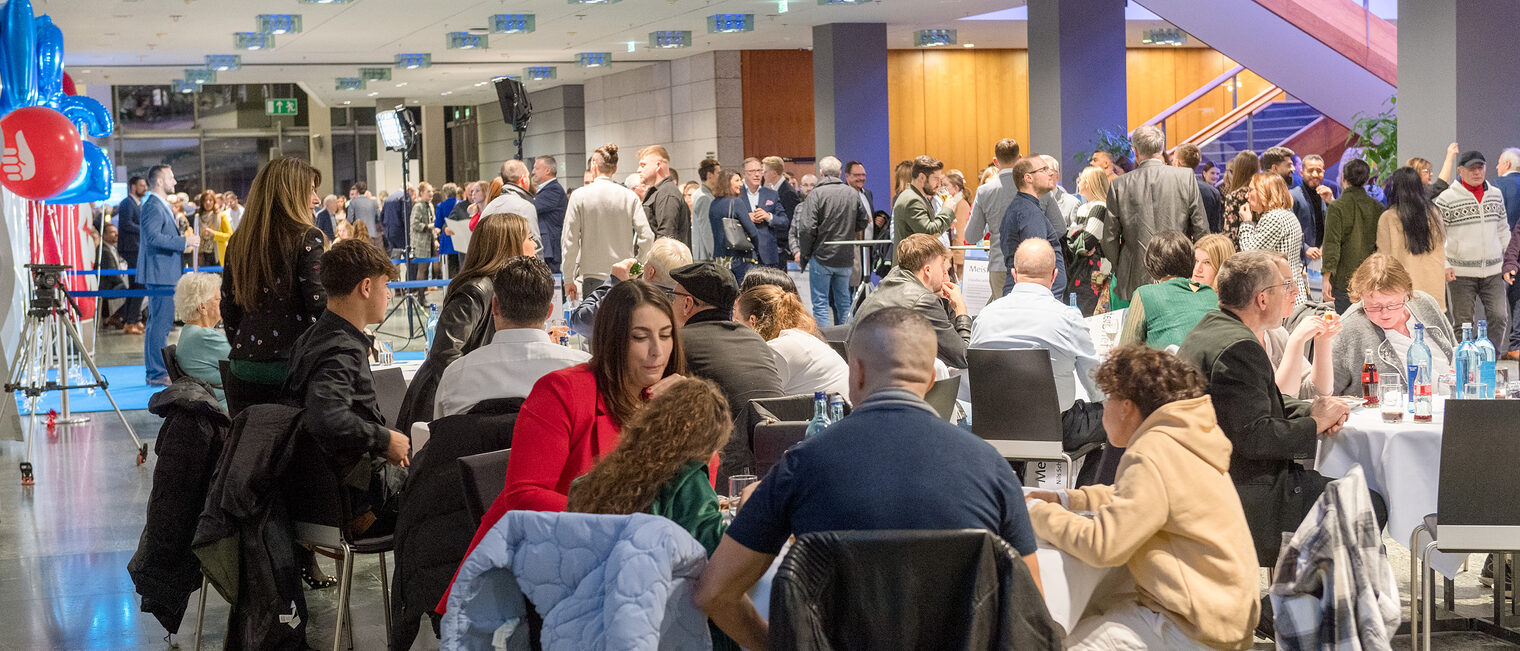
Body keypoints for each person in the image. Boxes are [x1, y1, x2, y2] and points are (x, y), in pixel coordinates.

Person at [694, 307, 1043, 650]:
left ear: (856, 373)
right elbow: (1031, 612)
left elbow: (715, 592)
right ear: (931, 379)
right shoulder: (991, 467)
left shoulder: (801, 466)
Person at [446, 280, 686, 606]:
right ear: (612, 340)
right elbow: (524, 496)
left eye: (666, 335)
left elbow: (695, 484)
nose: (657, 350)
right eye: (640, 337)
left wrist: (687, 418)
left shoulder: (662, 397)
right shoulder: (563, 392)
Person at [1026, 345, 1258, 651]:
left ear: (1127, 406)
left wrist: (1036, 513)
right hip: (1222, 612)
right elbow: (1137, 496)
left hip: (1193, 625)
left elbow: (1103, 545)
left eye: (1108, 398)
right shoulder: (1183, 437)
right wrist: (1070, 501)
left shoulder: (1152, 451)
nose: (1103, 408)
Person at [1177, 250, 1384, 566]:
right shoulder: (1240, 347)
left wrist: (1314, 409)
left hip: (1215, 479)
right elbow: (1257, 437)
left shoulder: (1212, 328)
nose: (1290, 294)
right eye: (1283, 288)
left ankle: (1308, 605)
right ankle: (1288, 609)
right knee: (1368, 503)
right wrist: (1314, 424)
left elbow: (1259, 401)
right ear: (1262, 300)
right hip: (1246, 494)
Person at [282, 239, 411, 538]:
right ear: (366, 287)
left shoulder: (312, 338)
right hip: (358, 507)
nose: (388, 295)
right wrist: (384, 439)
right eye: (385, 285)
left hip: (318, 498)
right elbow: (324, 416)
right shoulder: (342, 349)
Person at [395, 213, 536, 433]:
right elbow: (445, 353)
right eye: (529, 238)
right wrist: (474, 395)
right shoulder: (477, 290)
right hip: (440, 404)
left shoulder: (498, 286)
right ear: (509, 244)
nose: (534, 244)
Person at [973, 238, 1107, 463]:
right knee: (1117, 416)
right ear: (1054, 276)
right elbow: (1097, 387)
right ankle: (1085, 495)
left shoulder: (984, 317)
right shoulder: (1068, 318)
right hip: (1055, 431)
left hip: (993, 430)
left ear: (1014, 274)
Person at [567, 376, 730, 554]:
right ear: (710, 440)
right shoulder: (689, 480)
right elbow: (718, 549)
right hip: (655, 578)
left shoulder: (601, 477)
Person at [220, 158, 326, 412]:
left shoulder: (239, 241)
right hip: (292, 373)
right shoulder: (308, 237)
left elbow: (229, 308)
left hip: (242, 371)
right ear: (292, 194)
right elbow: (319, 305)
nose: (317, 199)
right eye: (311, 190)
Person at [667, 262, 785, 485]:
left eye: (673, 296)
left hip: (725, 473)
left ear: (687, 304)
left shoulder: (679, 343)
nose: (670, 303)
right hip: (776, 462)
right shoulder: (755, 339)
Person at [433, 257, 589, 418]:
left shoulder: (455, 377)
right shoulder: (584, 371)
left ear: (494, 307)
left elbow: (441, 438)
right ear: (549, 311)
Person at [1103, 125, 1209, 307]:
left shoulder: (1119, 185)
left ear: (1135, 152)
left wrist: (1121, 267)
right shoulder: (1186, 177)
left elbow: (1109, 239)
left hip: (1133, 275)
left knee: (1135, 332)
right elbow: (1202, 231)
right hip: (1179, 274)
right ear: (1162, 149)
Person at [1330, 253, 1455, 396]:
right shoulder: (1349, 328)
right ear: (1361, 296)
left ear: (1406, 293)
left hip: (1449, 406)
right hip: (1389, 415)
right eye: (1375, 306)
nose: (1385, 313)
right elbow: (1323, 393)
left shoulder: (1425, 303)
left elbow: (1455, 355)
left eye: (1393, 304)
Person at [854, 234, 971, 369]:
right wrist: (960, 310)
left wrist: (944, 301)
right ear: (927, 270)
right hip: (889, 381)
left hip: (866, 374)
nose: (946, 274)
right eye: (942, 267)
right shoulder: (923, 300)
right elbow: (963, 357)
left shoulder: (890, 282)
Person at [1437, 150, 1511, 352]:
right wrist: (1445, 264)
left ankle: (1489, 362)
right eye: (1472, 168)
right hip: (1461, 273)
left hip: (1494, 270)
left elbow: (1503, 228)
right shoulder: (1446, 199)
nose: (1477, 172)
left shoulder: (1495, 194)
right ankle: (1466, 367)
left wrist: (1509, 259)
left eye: (1480, 167)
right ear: (1460, 171)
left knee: (1499, 316)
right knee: (1463, 324)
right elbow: (1437, 237)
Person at [563, 143, 656, 300]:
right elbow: (647, 237)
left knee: (595, 323)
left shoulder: (579, 196)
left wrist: (568, 279)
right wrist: (637, 268)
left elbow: (569, 241)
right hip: (624, 276)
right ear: (615, 169)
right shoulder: (629, 196)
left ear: (594, 165)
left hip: (592, 278)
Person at [790, 156, 869, 326]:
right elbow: (863, 221)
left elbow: (806, 228)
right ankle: (847, 342)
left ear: (821, 173)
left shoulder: (815, 194)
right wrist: (848, 230)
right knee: (844, 303)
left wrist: (805, 253)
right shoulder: (851, 193)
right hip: (845, 256)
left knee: (820, 304)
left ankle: (826, 343)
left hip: (821, 256)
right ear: (840, 173)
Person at [735, 284, 849, 399]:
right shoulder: (799, 339)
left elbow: (755, 396)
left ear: (752, 321)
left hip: (831, 413)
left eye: (738, 322)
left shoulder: (778, 349)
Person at [140, 165, 198, 387]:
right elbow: (153, 237)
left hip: (162, 271)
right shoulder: (154, 206)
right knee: (160, 325)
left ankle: (154, 371)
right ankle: (156, 373)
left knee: (156, 324)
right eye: (170, 178)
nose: (175, 182)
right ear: (158, 182)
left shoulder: (157, 205)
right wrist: (185, 242)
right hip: (160, 273)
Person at [567, 236, 692, 338]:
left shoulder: (631, 303)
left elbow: (579, 322)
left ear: (649, 272)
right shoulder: (691, 306)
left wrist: (614, 282)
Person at [1119, 232, 1219, 351]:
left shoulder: (1145, 294)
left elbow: (1126, 350)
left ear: (1151, 263)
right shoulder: (1210, 294)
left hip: (1169, 367)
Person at [1258, 253, 1337, 399]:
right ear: (1261, 296)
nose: (1296, 291)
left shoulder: (1277, 333)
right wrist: (1297, 340)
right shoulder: (1242, 344)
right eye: (1287, 284)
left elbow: (1316, 393)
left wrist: (1322, 340)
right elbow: (1277, 404)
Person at [1378, 167, 1448, 311]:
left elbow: (1383, 258)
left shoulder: (1389, 217)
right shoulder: (1434, 213)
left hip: (1403, 292)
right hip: (1433, 289)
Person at [998, 156, 1066, 300]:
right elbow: (1037, 263)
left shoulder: (1025, 207)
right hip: (1037, 299)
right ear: (1028, 178)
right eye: (1044, 169)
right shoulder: (1028, 212)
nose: (1051, 173)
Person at [1321, 159, 1382, 312]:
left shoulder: (1337, 207)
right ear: (1367, 179)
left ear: (1343, 177)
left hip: (1343, 280)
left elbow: (1332, 244)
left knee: (1342, 326)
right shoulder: (1377, 208)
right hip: (1369, 277)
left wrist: (1326, 276)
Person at [1238, 172, 1307, 305]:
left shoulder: (1274, 217)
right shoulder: (1286, 214)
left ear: (1264, 192)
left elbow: (1249, 253)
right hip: (1290, 294)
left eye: (1251, 190)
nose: (1246, 195)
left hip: (1280, 297)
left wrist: (1246, 222)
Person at [966, 139, 1023, 298]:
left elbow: (972, 236)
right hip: (1033, 265)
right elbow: (1058, 227)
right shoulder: (1035, 186)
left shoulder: (985, 191)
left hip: (1000, 263)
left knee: (1003, 316)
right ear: (1019, 158)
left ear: (995, 161)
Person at [172, 272, 231, 406]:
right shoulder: (204, 337)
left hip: (216, 403)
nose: (222, 303)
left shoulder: (189, 332)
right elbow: (243, 359)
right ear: (202, 307)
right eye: (218, 299)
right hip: (226, 405)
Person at [1066, 166, 1111, 312]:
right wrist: (1075, 241)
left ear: (1088, 183)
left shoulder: (1100, 207)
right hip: (1080, 269)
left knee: (1089, 311)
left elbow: (1086, 241)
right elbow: (1071, 238)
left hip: (1094, 271)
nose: (1078, 182)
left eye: (1081, 179)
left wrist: (1075, 240)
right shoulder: (1082, 208)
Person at [480, 160, 544, 256]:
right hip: (518, 268)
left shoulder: (489, 207)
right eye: (528, 176)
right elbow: (535, 248)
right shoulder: (525, 207)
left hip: (492, 268)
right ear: (523, 179)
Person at [709, 169, 763, 282]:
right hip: (739, 258)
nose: (741, 184)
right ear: (727, 183)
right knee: (742, 294)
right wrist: (756, 248)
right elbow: (753, 232)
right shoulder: (736, 202)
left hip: (720, 259)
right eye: (737, 180)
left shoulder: (713, 204)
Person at [738, 157, 791, 271]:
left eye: (759, 171)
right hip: (743, 254)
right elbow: (728, 220)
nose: (756, 175)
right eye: (752, 171)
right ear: (744, 174)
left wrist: (768, 216)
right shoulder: (736, 194)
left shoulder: (771, 194)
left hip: (768, 255)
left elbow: (784, 221)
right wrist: (746, 218)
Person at [635, 145, 691, 246]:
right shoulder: (659, 192)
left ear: (658, 165)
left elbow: (666, 237)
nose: (639, 170)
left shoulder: (667, 194)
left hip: (664, 260)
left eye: (643, 165)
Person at [113, 175, 148, 334]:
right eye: (141, 185)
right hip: (131, 248)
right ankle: (131, 320)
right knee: (139, 284)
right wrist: (144, 230)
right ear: (133, 186)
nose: (145, 188)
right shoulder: (127, 203)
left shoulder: (137, 204)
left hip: (136, 248)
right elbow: (126, 224)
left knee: (137, 285)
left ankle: (133, 318)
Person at [891, 155, 950, 250]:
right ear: (922, 177)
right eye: (936, 179)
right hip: (912, 263)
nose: (939, 184)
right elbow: (930, 233)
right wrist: (947, 210)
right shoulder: (912, 200)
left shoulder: (919, 197)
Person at [1290, 154, 1334, 263]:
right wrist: (1305, 248)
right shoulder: (1292, 196)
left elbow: (1337, 225)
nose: (1315, 174)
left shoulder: (1327, 194)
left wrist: (1331, 202)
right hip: (1299, 260)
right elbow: (1287, 230)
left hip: (1322, 259)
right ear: (1301, 173)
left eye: (1319, 171)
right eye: (1310, 171)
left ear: (1323, 173)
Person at [1175, 143, 1224, 234]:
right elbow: (1216, 228)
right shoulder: (1213, 192)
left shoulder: (1171, 188)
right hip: (1205, 244)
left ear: (1177, 163)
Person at [531, 156, 567, 274]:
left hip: (549, 252)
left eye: (536, 168)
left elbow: (532, 207)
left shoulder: (554, 190)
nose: (533, 172)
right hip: (545, 250)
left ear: (547, 170)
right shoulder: (545, 190)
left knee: (549, 290)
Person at [1221, 150, 1259, 245]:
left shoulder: (1233, 197)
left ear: (1237, 170)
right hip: (1261, 248)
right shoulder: (1262, 192)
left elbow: (1230, 232)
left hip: (1241, 251)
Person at [941, 169, 973, 279]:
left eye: (945, 186)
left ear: (955, 188)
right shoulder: (955, 203)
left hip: (958, 258)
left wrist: (956, 259)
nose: (942, 189)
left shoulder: (961, 204)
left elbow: (960, 234)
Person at [690, 159, 721, 262]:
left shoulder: (700, 194)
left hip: (704, 254)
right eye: (718, 173)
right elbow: (707, 229)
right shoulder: (704, 198)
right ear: (709, 175)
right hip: (706, 256)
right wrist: (715, 255)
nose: (720, 176)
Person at [434, 183, 461, 275]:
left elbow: (438, 224)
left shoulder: (440, 206)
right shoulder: (461, 204)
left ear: (445, 193)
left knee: (449, 269)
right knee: (460, 267)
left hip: (447, 241)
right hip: (460, 239)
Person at [197, 190, 230, 266]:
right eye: (205, 200)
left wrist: (214, 234)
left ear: (214, 202)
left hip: (217, 256)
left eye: (210, 200)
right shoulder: (198, 217)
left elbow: (230, 235)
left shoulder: (221, 216)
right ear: (202, 202)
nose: (208, 203)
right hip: (203, 255)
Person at [347, 181, 382, 250]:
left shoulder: (353, 202)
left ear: (356, 190)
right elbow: (379, 217)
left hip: (359, 235)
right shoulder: (373, 202)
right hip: (372, 234)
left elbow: (350, 219)